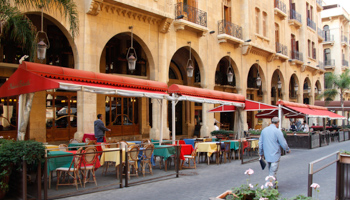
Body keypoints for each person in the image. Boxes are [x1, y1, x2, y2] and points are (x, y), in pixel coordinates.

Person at [259, 117, 290, 186]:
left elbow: (260, 143)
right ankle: (267, 189)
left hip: (267, 155)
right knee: (272, 173)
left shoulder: (264, 130)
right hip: (275, 155)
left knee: (271, 170)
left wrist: (261, 153)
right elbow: (283, 143)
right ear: (278, 123)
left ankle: (275, 185)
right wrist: (287, 149)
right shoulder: (277, 131)